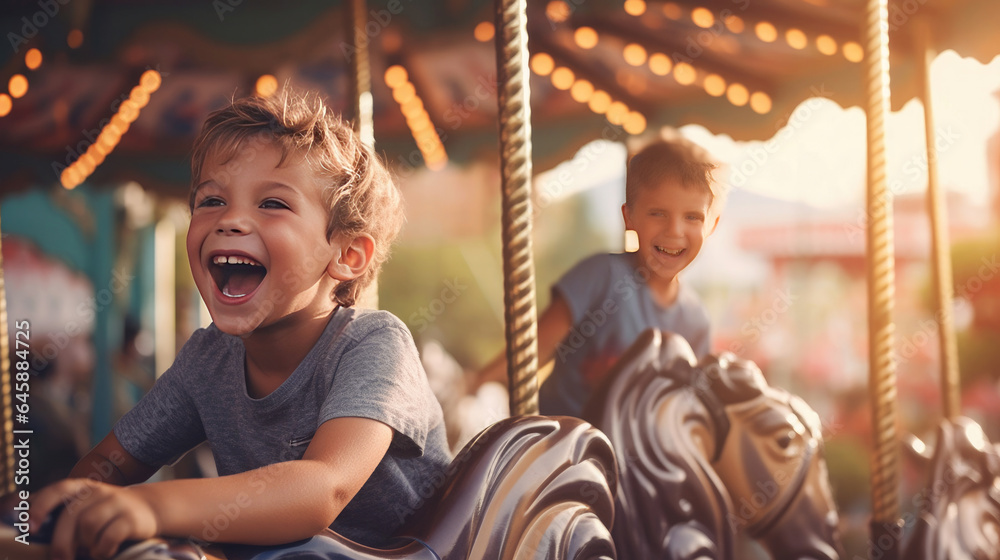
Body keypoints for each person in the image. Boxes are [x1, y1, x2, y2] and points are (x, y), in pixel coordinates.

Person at [32, 89, 452, 559]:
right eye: (210, 200)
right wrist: (68, 507)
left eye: (272, 204)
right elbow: (111, 463)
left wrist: (151, 503)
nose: (230, 220)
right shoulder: (207, 360)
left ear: (347, 255)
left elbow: (323, 489)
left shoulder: (372, 344)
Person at [474, 138, 724, 417]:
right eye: (658, 213)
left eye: (692, 217)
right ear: (629, 217)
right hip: (563, 443)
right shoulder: (602, 276)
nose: (674, 231)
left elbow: (690, 408)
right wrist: (475, 383)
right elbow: (533, 351)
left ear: (711, 225)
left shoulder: (695, 320)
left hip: (636, 457)